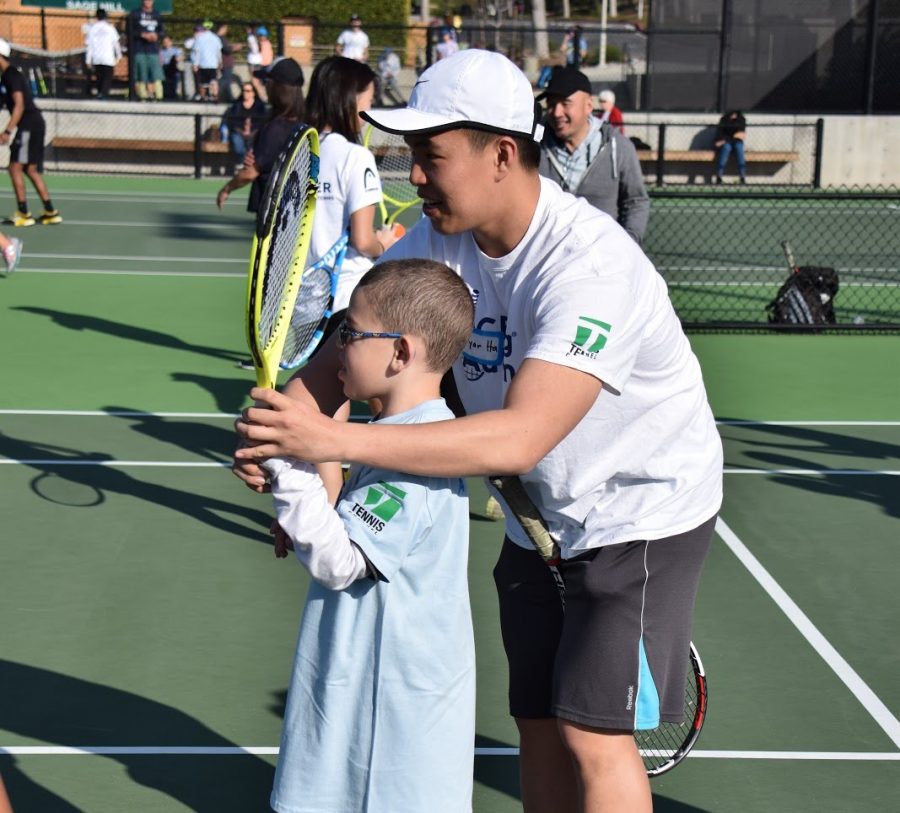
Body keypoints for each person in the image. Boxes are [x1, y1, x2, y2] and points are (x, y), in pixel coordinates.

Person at [234, 49, 723, 813]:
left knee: (594, 733)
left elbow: (519, 436)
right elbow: (338, 361)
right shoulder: (439, 244)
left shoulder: (589, 265)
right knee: (535, 720)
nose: (414, 177)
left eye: (430, 157)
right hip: (541, 517)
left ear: (501, 154)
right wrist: (283, 434)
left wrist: (330, 442)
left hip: (639, 511)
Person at [267, 258, 476, 813]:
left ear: (400, 353)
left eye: (352, 335)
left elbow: (340, 562)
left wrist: (290, 470)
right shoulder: (397, 437)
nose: (338, 349)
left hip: (390, 724)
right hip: (372, 698)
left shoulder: (416, 458)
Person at [229, 56, 401, 370]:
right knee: (368, 388)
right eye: (368, 100)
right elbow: (363, 241)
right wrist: (386, 245)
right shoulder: (356, 157)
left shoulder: (301, 150)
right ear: (349, 99)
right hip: (348, 294)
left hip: (304, 296)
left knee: (334, 390)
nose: (369, 111)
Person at [538, 67, 649, 244]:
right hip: (548, 262)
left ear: (588, 106)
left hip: (605, 262)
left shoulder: (618, 146)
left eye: (565, 103)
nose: (556, 112)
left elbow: (636, 201)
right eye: (551, 104)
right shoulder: (533, 147)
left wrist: (629, 244)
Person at [216, 57, 305, 215]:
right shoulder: (307, 123)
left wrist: (227, 188)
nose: (264, 88)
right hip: (294, 209)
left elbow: (251, 172)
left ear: (276, 87)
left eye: (267, 83)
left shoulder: (276, 128)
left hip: (274, 215)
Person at [0, 39, 62, 227]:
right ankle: (50, 211)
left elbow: (19, 104)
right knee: (30, 169)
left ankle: (23, 213)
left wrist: (8, 131)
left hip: (29, 124)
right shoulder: (6, 77)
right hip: (34, 123)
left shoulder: (11, 75)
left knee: (15, 167)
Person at [220, 81, 267, 168]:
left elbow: (262, 122)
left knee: (256, 144)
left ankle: (252, 166)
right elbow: (232, 121)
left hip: (255, 132)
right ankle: (243, 163)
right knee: (238, 143)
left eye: (248, 91)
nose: (245, 93)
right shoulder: (237, 105)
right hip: (239, 132)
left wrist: (252, 131)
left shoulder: (259, 106)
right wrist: (242, 131)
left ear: (253, 93)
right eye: (244, 91)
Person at [129, 0, 164, 101]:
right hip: (139, 49)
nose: (148, 2)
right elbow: (130, 30)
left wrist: (156, 35)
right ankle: (142, 96)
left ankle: (158, 96)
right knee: (141, 74)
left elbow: (162, 31)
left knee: (156, 74)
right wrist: (142, 35)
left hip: (153, 50)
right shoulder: (135, 13)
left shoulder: (157, 14)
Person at [84, 9, 122, 100]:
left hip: (97, 57)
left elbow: (90, 46)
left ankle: (100, 93)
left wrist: (88, 60)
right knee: (107, 77)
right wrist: (119, 55)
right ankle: (103, 94)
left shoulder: (92, 28)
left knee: (99, 77)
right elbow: (116, 43)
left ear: (96, 17)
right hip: (108, 58)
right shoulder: (110, 28)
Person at [190, 21, 222, 102]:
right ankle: (215, 96)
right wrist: (220, 62)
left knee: (202, 83)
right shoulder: (216, 38)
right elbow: (218, 51)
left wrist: (195, 64)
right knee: (214, 80)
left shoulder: (199, 38)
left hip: (203, 63)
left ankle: (202, 97)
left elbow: (197, 52)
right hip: (213, 64)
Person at [714, 109, 747, 184]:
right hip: (726, 143)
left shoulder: (741, 119)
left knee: (739, 148)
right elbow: (719, 135)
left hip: (735, 141)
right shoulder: (724, 120)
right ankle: (719, 176)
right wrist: (728, 139)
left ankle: (742, 176)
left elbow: (741, 135)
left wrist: (727, 138)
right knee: (726, 148)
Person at [215, 23, 239, 102]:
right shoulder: (220, 38)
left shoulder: (219, 38)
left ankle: (228, 97)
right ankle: (218, 94)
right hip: (226, 63)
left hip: (226, 62)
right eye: (225, 28)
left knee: (227, 81)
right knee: (225, 80)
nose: (226, 30)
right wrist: (235, 48)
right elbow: (226, 49)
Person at [158, 34, 183, 100]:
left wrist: (176, 59)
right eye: (164, 42)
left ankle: (173, 95)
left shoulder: (176, 50)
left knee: (174, 83)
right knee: (165, 84)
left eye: (167, 42)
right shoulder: (160, 51)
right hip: (164, 69)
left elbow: (180, 57)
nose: (166, 44)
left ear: (170, 42)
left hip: (173, 69)